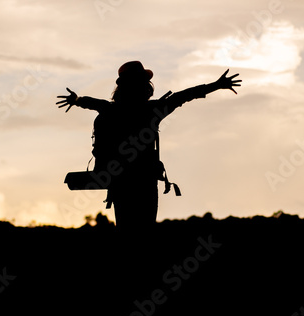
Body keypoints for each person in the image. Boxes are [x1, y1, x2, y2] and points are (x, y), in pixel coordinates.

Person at [57, 61, 241, 232]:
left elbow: (92, 103)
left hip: (119, 181)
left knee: (126, 232)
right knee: (145, 234)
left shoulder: (110, 110)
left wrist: (77, 99)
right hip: (145, 181)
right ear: (144, 87)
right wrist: (216, 85)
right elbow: (182, 96)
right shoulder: (153, 111)